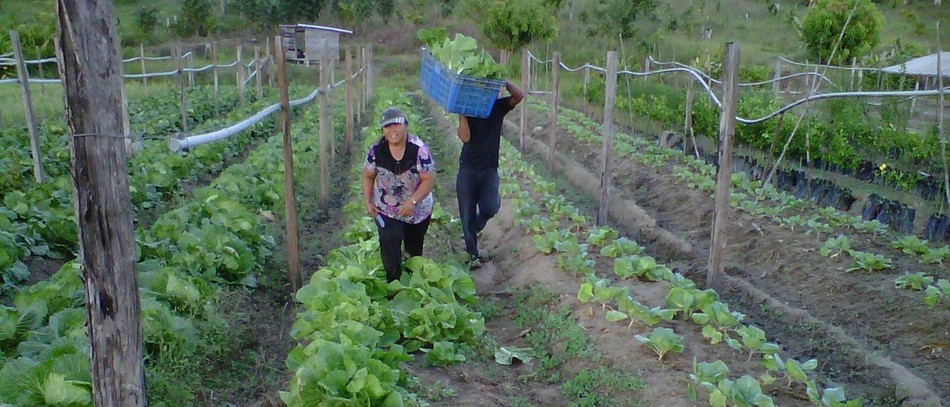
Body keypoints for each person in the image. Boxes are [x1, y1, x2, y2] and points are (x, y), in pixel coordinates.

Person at [362, 107, 436, 282]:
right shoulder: (376, 151)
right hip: (386, 208)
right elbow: (368, 175)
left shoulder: (419, 150)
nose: (392, 130)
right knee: (389, 241)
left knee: (413, 249)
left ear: (406, 126)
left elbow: (428, 179)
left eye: (396, 124)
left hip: (417, 209)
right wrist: (368, 201)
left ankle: (413, 284)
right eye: (387, 126)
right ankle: (393, 284)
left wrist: (412, 202)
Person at [456, 81, 525, 268]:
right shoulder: (469, 110)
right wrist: (462, 114)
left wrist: (505, 82)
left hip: (489, 169)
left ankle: (475, 227)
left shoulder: (497, 107)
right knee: (466, 214)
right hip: (468, 169)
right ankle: (473, 256)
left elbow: (519, 96)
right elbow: (465, 137)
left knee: (490, 207)